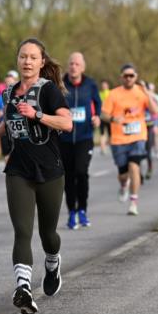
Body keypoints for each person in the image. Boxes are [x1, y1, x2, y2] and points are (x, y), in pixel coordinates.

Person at [0, 39, 72, 314]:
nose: (27, 62)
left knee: (48, 235)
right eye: (23, 57)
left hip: (49, 170)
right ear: (17, 59)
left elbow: (66, 123)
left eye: (33, 57)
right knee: (22, 232)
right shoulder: (9, 92)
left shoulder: (49, 92)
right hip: (19, 169)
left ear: (42, 62)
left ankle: (53, 263)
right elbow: (11, 117)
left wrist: (38, 115)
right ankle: (23, 288)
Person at [101, 65, 158, 216]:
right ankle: (123, 185)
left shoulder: (141, 92)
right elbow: (103, 115)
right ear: (121, 77)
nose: (128, 78)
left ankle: (133, 202)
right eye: (125, 76)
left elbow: (154, 111)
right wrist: (113, 118)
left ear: (136, 77)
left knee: (135, 166)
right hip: (119, 138)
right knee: (123, 174)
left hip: (138, 137)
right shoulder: (113, 94)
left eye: (131, 75)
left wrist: (147, 92)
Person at [60, 52, 101, 229]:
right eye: (71, 64)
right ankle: (72, 212)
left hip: (85, 136)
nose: (73, 67)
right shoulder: (60, 84)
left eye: (77, 64)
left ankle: (82, 210)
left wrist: (97, 117)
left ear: (82, 67)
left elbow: (98, 103)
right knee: (68, 176)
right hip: (65, 138)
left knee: (81, 172)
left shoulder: (90, 84)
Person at [98, 79, 112, 154]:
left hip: (103, 116)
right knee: (106, 133)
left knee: (103, 133)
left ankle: (103, 148)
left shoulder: (99, 94)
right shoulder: (111, 93)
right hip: (106, 116)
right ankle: (107, 148)